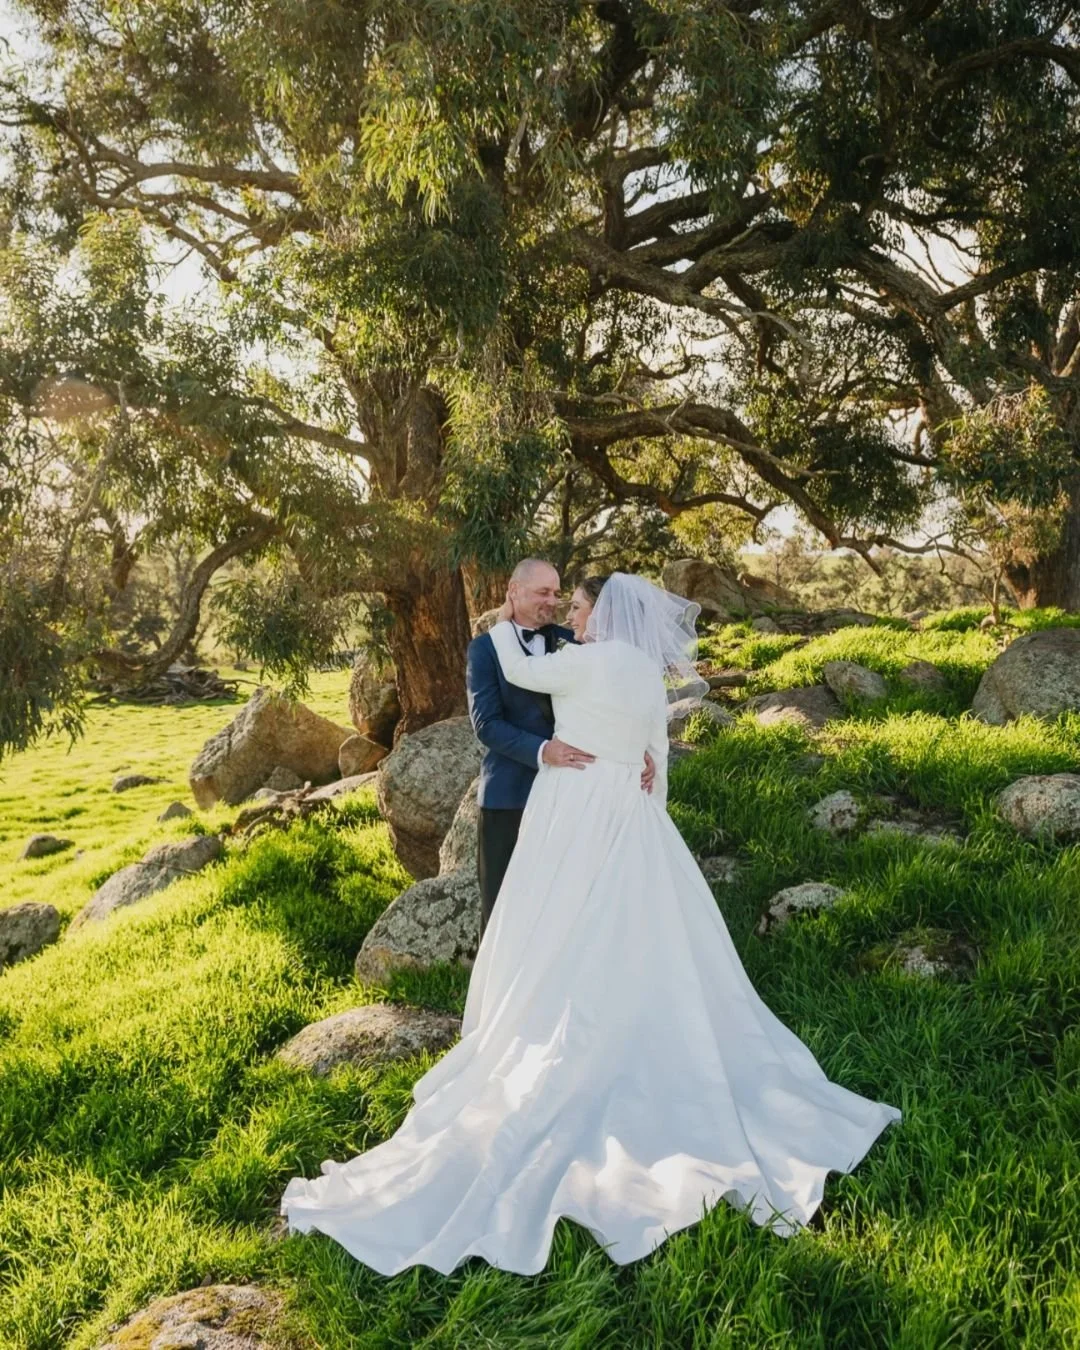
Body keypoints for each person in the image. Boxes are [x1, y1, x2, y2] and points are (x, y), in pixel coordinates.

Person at [280, 572, 901, 1276]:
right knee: (641, 933)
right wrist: (645, 796)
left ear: (602, 612)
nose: (569, 613)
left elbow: (514, 662)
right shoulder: (640, 670)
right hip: (633, 818)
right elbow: (656, 760)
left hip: (573, 810)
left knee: (557, 928)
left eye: (575, 603)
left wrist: (500, 621)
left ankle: (566, 1028)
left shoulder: (578, 658)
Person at [465, 559, 652, 940]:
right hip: (510, 794)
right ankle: (496, 998)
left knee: (566, 911)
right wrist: (542, 750)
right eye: (542, 592)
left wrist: (637, 747)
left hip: (575, 799)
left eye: (556, 593)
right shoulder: (485, 650)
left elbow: (614, 698)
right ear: (514, 591)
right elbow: (486, 724)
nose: (553, 601)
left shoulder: (575, 642)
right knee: (502, 909)